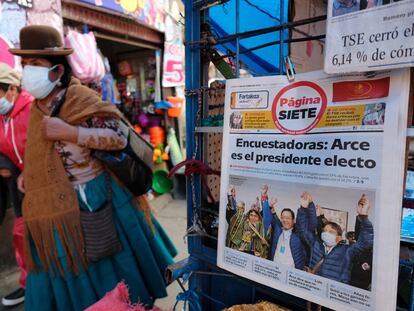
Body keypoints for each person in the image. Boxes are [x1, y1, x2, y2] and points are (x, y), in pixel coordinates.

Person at [10, 25, 177, 311]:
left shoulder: (81, 100)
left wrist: (71, 133)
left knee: (114, 268)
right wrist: (30, 172)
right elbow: (41, 151)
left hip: (98, 199)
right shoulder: (38, 108)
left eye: (36, 64)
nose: (28, 71)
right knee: (75, 275)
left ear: (58, 71)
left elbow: (119, 137)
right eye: (25, 65)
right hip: (56, 207)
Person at [0, 62, 33, 307]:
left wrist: (30, 170)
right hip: (19, 187)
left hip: (44, 182)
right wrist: (10, 168)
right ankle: (28, 285)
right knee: (20, 234)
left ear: (12, 89)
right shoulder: (2, 116)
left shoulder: (33, 108)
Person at [298, 193, 374, 285]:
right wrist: (303, 208)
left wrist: (363, 216)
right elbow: (302, 230)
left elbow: (366, 242)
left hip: (333, 293)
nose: (326, 233)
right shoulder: (316, 244)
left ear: (338, 237)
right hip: (312, 286)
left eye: (331, 232)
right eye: (325, 231)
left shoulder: (347, 251)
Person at [268, 196, 310, 270]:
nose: (285, 220)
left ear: (293, 220)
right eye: (283, 217)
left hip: (290, 274)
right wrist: (270, 205)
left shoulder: (298, 234)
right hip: (274, 270)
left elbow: (302, 224)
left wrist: (302, 209)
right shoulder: (278, 229)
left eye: (288, 218)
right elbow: (272, 215)